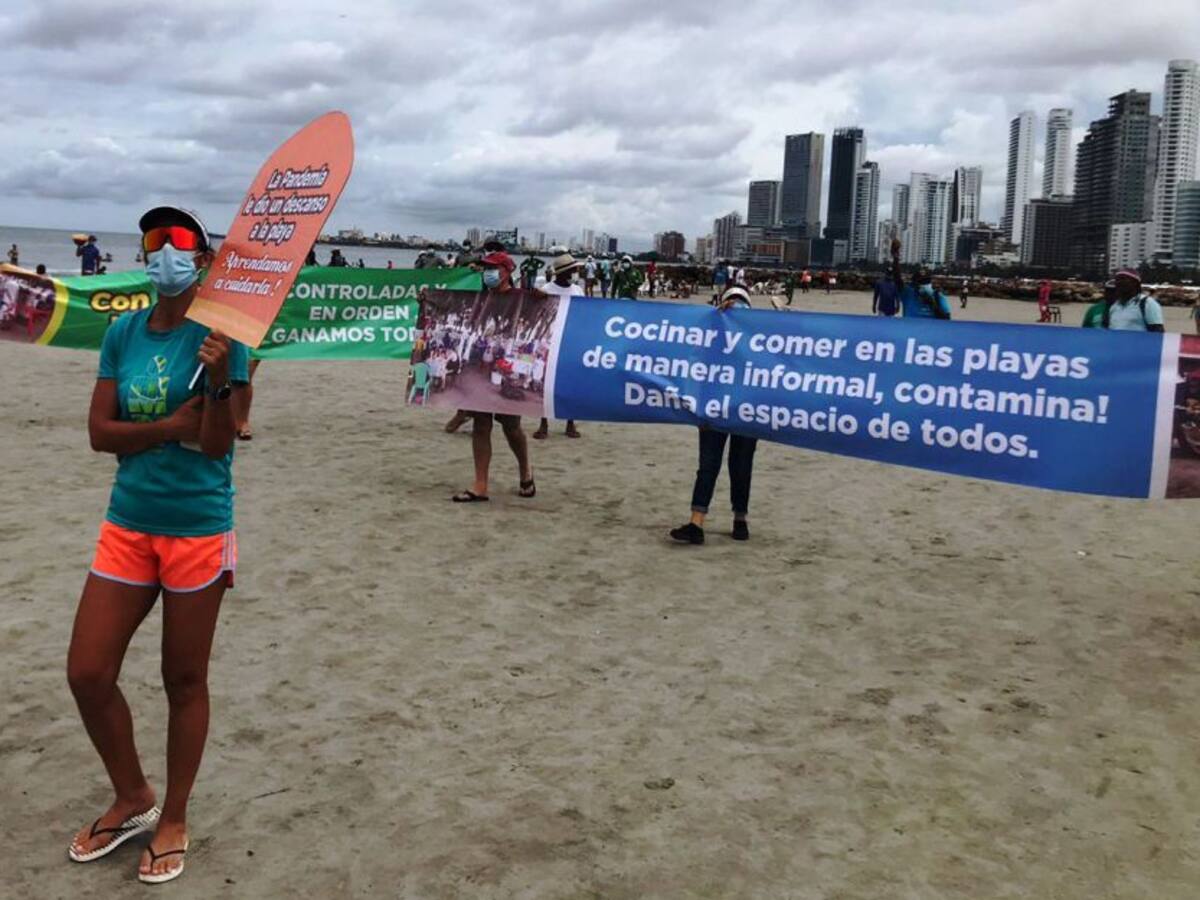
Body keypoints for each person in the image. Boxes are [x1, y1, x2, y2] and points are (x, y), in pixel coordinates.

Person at [65, 206, 250, 885]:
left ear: (201, 259)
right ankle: (132, 795)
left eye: (178, 241)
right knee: (87, 672)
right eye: (152, 240)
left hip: (197, 527)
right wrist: (169, 426)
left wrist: (221, 382)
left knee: (184, 679)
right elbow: (99, 433)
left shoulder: (226, 337)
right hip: (129, 522)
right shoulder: (123, 332)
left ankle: (173, 815)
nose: (163, 252)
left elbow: (218, 444)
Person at [670, 284, 758, 545]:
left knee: (730, 465)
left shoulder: (753, 333)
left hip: (735, 408)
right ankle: (708, 522)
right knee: (721, 465)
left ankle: (732, 519)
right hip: (725, 409)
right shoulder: (715, 334)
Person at [446, 251, 536, 502]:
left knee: (511, 426)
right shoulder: (479, 299)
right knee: (481, 424)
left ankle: (525, 471)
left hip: (507, 367)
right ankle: (480, 484)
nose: (489, 273)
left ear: (508, 271)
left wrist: (539, 296)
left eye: (494, 268)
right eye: (486, 268)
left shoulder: (520, 298)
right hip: (481, 366)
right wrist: (427, 301)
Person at [533, 253, 583, 440]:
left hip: (571, 341)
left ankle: (570, 423)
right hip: (550, 342)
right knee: (547, 385)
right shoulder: (546, 290)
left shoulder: (577, 290)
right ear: (563, 272)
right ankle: (543, 423)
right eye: (572, 270)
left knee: (571, 384)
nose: (575, 273)